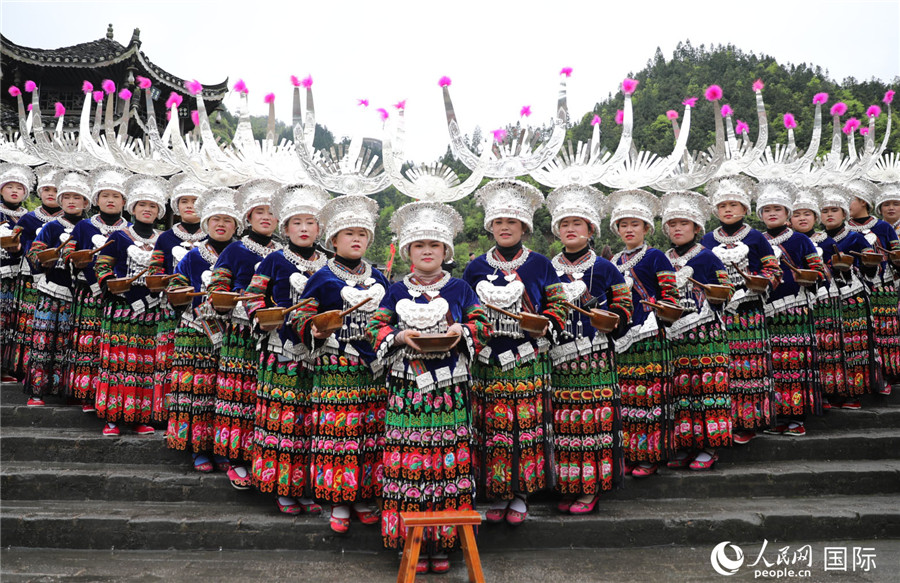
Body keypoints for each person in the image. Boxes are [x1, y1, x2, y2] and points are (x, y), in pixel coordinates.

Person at [368, 200, 492, 573]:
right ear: (408, 251)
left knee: (446, 463)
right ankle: (411, 544)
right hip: (407, 390)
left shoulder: (460, 288)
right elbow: (377, 328)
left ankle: (443, 545)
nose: (426, 251)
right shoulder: (392, 290)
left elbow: (481, 324)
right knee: (410, 466)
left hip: (449, 391)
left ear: (445, 252)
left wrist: (462, 330)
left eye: (434, 246)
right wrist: (399, 334)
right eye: (419, 245)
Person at [461, 179, 567, 524]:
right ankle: (497, 491)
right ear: (490, 226)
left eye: (512, 222)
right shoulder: (475, 267)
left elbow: (558, 305)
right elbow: (466, 310)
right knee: (491, 428)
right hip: (486, 361)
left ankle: (520, 494)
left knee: (523, 426)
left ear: (524, 227)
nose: (505, 228)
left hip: (526, 357)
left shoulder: (540, 265)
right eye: (499, 223)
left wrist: (546, 322)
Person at [288, 194, 389, 534]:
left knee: (369, 433)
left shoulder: (381, 278)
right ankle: (339, 500)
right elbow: (301, 312)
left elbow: (391, 318)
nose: (356, 239)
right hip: (335, 366)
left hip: (372, 370)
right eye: (349, 233)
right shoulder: (322, 276)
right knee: (338, 433)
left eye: (362, 233)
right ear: (333, 240)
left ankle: (364, 495)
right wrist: (312, 327)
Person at [243, 183, 329, 515]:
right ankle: (282, 487)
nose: (304, 229)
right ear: (285, 227)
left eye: (310, 222)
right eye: (297, 223)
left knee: (311, 422)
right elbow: (252, 298)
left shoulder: (329, 264)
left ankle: (308, 486)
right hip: (281, 353)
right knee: (283, 421)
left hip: (319, 355)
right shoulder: (274, 261)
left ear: (320, 228)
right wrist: (260, 317)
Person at [545, 185, 631, 513]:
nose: (570, 229)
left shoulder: (606, 268)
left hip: (594, 358)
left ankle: (590, 488)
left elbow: (625, 306)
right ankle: (567, 485)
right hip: (558, 359)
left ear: (591, 229)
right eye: (564, 223)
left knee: (592, 424)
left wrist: (613, 317)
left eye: (577, 223)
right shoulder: (547, 269)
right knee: (565, 425)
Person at [206, 179, 282, 489]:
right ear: (247, 217)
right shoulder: (235, 250)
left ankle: (261, 458)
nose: (266, 218)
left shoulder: (285, 252)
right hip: (241, 332)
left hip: (275, 334)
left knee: (265, 399)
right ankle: (235, 458)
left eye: (271, 213)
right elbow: (216, 289)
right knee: (239, 394)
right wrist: (225, 299)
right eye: (259, 212)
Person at [701, 175, 782, 444]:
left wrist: (759, 283)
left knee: (750, 367)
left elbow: (773, 269)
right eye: (723, 205)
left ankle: (750, 421)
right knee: (723, 369)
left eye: (734, 205)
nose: (728, 210)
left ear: (745, 209)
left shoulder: (757, 237)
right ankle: (725, 421)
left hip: (749, 311)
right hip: (717, 313)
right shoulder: (707, 240)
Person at [165, 186, 239, 473]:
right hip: (195, 330)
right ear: (207, 223)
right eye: (216, 219)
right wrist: (184, 293)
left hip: (231, 333)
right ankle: (196, 447)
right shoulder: (194, 255)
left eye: (228, 220)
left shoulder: (241, 254)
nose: (221, 224)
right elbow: (174, 287)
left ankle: (220, 446)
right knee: (196, 389)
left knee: (222, 394)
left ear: (236, 225)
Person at [660, 190, 734, 470]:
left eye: (684, 224)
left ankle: (709, 446)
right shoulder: (663, 258)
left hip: (705, 334)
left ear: (696, 228)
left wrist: (715, 293)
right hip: (673, 335)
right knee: (681, 392)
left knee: (706, 390)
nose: (678, 229)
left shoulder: (708, 257)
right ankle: (685, 444)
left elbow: (727, 291)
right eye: (673, 224)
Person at [607, 189, 678, 478]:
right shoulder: (612, 263)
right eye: (623, 225)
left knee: (651, 397)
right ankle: (630, 453)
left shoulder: (657, 257)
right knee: (628, 399)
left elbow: (671, 296)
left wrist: (660, 308)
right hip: (623, 339)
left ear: (646, 227)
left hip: (650, 335)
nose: (629, 229)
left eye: (634, 224)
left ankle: (651, 454)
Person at [94, 174, 167, 436]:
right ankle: (112, 417)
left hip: (152, 310)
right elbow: (102, 266)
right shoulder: (119, 235)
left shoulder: (164, 239)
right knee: (117, 363)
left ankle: (140, 416)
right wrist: (112, 283)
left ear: (159, 212)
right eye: (142, 205)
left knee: (145, 365)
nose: (147, 209)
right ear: (132, 208)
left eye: (153, 206)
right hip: (121, 308)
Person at [755, 180, 827, 437]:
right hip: (763, 310)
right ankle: (775, 416)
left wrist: (809, 276)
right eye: (766, 209)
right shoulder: (756, 240)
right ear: (760, 214)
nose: (772, 213)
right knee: (769, 366)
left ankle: (796, 418)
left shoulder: (800, 241)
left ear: (787, 213)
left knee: (793, 365)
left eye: (777, 208)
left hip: (794, 310)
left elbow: (820, 273)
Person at [62, 166, 131, 412]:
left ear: (124, 201)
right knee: (87, 341)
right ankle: (84, 393)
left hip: (118, 296)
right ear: (96, 200)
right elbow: (68, 250)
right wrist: (74, 258)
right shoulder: (84, 226)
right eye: (105, 196)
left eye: (116, 196)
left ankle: (107, 394)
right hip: (88, 292)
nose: (110, 200)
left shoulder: (130, 231)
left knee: (110, 344)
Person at [24, 171, 90, 404]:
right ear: (60, 201)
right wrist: (44, 260)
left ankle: (67, 390)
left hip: (82, 297)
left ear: (86, 202)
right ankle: (37, 391)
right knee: (45, 342)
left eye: (78, 197)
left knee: (74, 344)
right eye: (67, 196)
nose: (72, 201)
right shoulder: (51, 227)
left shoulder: (91, 228)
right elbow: (33, 251)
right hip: (52, 290)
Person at [148, 174, 207, 424]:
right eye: (184, 201)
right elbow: (154, 269)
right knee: (167, 357)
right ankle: (163, 413)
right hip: (169, 305)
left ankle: (188, 415)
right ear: (176, 206)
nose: (190, 205)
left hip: (202, 310)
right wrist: (165, 282)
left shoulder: (212, 236)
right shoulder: (165, 238)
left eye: (195, 200)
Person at [817, 184, 879, 408]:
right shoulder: (815, 241)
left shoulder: (855, 238)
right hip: (825, 301)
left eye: (834, 210)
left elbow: (874, 270)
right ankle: (832, 390)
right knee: (829, 347)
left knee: (854, 346)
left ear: (844, 213)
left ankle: (853, 392)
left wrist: (856, 265)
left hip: (852, 297)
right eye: (825, 211)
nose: (829, 214)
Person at [790, 187, 844, 409]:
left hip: (824, 298)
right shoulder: (784, 240)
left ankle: (829, 391)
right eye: (797, 214)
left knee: (826, 346)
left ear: (815, 217)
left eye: (807, 214)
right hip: (794, 303)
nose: (802, 218)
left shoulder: (827, 241)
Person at [6, 166, 61, 381]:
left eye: (55, 190)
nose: (50, 194)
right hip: (30, 276)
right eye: (46, 189)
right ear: (39, 192)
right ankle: (22, 368)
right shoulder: (28, 218)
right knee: (27, 322)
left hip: (57, 278)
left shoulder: (70, 221)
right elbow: (15, 240)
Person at [846, 178, 900, 393]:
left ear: (862, 202)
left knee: (885, 330)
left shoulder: (883, 227)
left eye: (850, 200)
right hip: (854, 287)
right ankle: (865, 378)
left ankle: (889, 373)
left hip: (882, 285)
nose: (846, 204)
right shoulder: (844, 229)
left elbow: (896, 255)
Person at [0, 163, 34, 383]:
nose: (14, 190)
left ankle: (12, 367)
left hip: (20, 276)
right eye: (9, 186)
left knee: (16, 321)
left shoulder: (29, 217)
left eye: (19, 187)